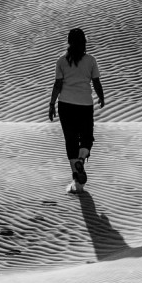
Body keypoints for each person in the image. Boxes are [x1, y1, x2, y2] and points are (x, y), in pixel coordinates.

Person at [48, 28, 105, 193]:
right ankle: (81, 160)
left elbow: (58, 84)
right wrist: (101, 97)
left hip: (65, 105)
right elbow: (96, 82)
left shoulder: (61, 61)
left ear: (69, 42)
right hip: (85, 105)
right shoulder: (91, 60)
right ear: (84, 42)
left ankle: (77, 180)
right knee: (87, 138)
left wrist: (52, 104)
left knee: (70, 140)